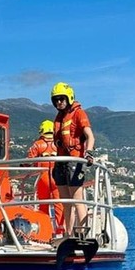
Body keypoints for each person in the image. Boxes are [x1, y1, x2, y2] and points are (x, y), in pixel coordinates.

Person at [50, 82, 95, 237]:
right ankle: (68, 234)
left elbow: (90, 136)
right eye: (56, 100)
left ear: (69, 98)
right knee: (66, 202)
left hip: (75, 161)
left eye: (61, 99)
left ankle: (83, 233)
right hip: (61, 162)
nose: (59, 102)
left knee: (77, 199)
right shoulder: (59, 118)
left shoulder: (79, 113)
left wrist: (88, 153)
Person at [27, 120, 64, 233]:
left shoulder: (38, 144)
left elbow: (29, 159)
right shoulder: (58, 143)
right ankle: (61, 229)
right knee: (59, 204)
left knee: (43, 205)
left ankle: (46, 230)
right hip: (57, 176)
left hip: (43, 177)